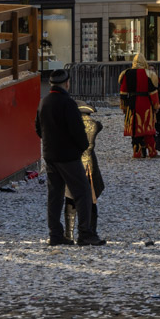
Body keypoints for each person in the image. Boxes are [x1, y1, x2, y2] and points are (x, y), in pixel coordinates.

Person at [36, 69, 105, 246]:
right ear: (67, 84)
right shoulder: (68, 103)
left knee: (55, 195)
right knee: (83, 193)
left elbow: (38, 129)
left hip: (50, 155)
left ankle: (56, 235)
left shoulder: (43, 103)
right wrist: (81, 148)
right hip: (68, 157)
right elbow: (78, 132)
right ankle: (85, 233)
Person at [64, 103, 106, 243]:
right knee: (91, 199)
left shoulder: (72, 125)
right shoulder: (95, 125)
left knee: (70, 199)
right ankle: (91, 231)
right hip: (90, 165)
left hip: (74, 163)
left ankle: (68, 234)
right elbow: (100, 125)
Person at [118, 54, 160, 159]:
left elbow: (123, 92)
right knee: (148, 128)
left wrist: (123, 107)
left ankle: (136, 152)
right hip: (146, 103)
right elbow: (153, 92)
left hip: (132, 104)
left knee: (134, 128)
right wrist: (156, 106)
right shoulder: (149, 74)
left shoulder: (126, 73)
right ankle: (152, 151)